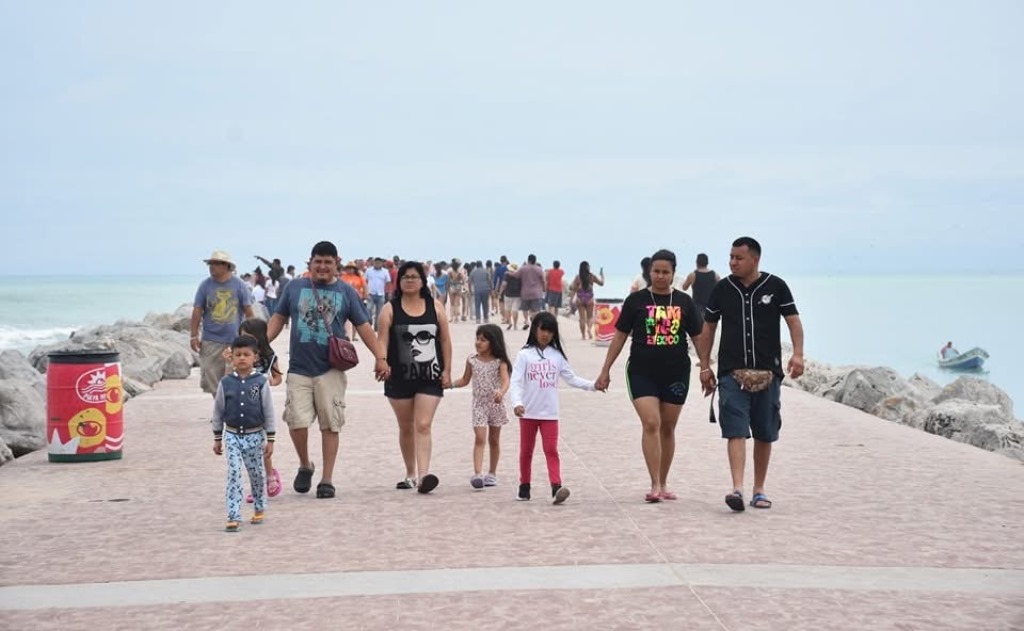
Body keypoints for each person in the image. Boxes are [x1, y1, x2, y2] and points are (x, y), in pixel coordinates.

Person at [268, 241, 389, 500]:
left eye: (328, 262)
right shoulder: (294, 287)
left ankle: (327, 479)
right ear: (310, 263)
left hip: (331, 368)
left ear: (336, 265)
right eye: (318, 261)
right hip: (299, 367)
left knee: (330, 424)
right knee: (296, 422)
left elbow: (364, 326)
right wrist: (259, 345)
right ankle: (305, 464)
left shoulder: (346, 291)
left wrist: (380, 357)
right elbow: (278, 319)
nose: (322, 266)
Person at [697, 237, 804, 512]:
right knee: (735, 429)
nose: (732, 262)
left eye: (739, 258)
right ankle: (737, 488)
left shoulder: (776, 287)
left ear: (754, 259)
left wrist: (798, 354)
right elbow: (708, 328)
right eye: (731, 257)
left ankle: (759, 489)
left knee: (765, 432)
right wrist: (705, 365)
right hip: (731, 374)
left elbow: (793, 321)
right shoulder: (723, 288)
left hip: (769, 373)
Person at [595, 249, 705, 502]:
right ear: (649, 272)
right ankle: (654, 483)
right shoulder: (636, 301)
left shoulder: (684, 302)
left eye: (666, 272)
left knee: (668, 427)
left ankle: (664, 483)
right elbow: (620, 336)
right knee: (651, 423)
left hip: (676, 372)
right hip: (641, 371)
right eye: (656, 271)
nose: (660, 276)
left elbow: (698, 337)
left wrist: (706, 368)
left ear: (673, 273)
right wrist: (605, 369)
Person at [510, 312, 604, 504]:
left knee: (551, 449)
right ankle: (524, 487)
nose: (545, 334)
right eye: (542, 330)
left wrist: (594, 385)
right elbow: (516, 382)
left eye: (550, 331)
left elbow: (572, 378)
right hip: (528, 413)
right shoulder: (524, 355)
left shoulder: (557, 356)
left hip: (550, 414)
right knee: (526, 451)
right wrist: (517, 403)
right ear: (534, 329)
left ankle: (556, 487)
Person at [376, 261, 453, 494]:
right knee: (406, 426)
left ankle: (423, 476)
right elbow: (382, 340)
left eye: (414, 277)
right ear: (399, 281)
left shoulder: (435, 307)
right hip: (399, 376)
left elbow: (445, 340)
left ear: (422, 281)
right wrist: (381, 361)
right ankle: (410, 473)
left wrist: (447, 370)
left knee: (423, 424)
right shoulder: (390, 309)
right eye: (405, 277)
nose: (410, 280)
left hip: (430, 375)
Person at [211, 336, 276, 532]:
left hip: (255, 436)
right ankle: (233, 515)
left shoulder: (260, 382)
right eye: (237, 354)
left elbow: (268, 410)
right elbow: (218, 410)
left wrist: (270, 439)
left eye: (246, 355)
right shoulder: (226, 383)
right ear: (231, 357)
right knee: (233, 473)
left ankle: (259, 505)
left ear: (255, 357)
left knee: (256, 474)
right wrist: (217, 437)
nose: (241, 358)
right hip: (232, 435)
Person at [451, 324, 512, 489]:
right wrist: (450, 384)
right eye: (477, 339)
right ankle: (477, 474)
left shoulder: (500, 362)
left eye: (483, 340)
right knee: (479, 438)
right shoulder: (472, 360)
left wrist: (501, 392)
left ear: (493, 342)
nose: (478, 342)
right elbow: (465, 380)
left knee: (494, 440)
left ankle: (492, 473)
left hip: (496, 405)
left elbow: (505, 380)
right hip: (479, 405)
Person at [190, 250, 255, 397]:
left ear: (226, 266)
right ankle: (220, 404)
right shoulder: (205, 286)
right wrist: (193, 335)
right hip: (210, 340)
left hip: (234, 341)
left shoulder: (239, 285)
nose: (211, 267)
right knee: (211, 376)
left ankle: (231, 405)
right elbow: (197, 310)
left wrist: (251, 338)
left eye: (215, 264)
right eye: (210, 264)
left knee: (235, 378)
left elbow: (249, 313)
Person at [568, 261, 604, 340]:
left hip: (580, 299)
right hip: (589, 299)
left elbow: (573, 289)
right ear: (588, 268)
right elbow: (601, 283)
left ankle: (583, 336)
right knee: (590, 317)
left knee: (582, 318)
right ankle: (589, 330)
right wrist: (602, 275)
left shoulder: (578, 277)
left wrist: (571, 300)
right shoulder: (591, 276)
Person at [509, 254, 545, 328]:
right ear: (535, 261)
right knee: (535, 310)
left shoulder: (523, 268)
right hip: (536, 293)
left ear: (528, 260)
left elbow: (516, 275)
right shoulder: (539, 269)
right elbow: (543, 280)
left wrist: (508, 273)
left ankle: (526, 321)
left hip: (525, 293)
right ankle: (533, 321)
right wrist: (544, 288)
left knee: (525, 309)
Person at [364, 257, 390, 331]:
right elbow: (365, 281)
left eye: (379, 262)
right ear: (374, 263)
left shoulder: (385, 271)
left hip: (381, 294)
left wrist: (388, 292)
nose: (378, 264)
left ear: (382, 263)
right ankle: (369, 325)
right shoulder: (369, 270)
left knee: (379, 312)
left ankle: (377, 328)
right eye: (376, 262)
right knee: (368, 310)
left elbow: (388, 282)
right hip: (370, 294)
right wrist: (365, 292)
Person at [501, 264, 522, 331]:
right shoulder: (519, 275)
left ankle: (510, 322)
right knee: (515, 310)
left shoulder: (507, 275)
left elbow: (504, 284)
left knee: (507, 309)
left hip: (508, 294)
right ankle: (515, 325)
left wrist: (501, 292)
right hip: (517, 295)